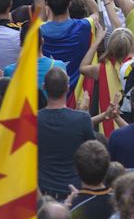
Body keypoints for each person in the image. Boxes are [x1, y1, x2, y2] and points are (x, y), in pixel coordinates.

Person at [37, 66, 96, 200]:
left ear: (44, 87)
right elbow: (94, 154)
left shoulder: (32, 120)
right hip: (74, 193)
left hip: (42, 194)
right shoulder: (82, 119)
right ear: (68, 88)